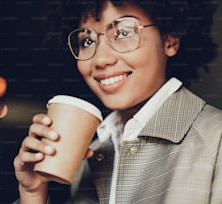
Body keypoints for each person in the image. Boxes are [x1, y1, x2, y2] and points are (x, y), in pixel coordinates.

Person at [13, 0, 222, 203]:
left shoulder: (216, 140)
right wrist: (32, 193)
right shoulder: (91, 154)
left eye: (123, 33)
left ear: (170, 39)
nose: (101, 59)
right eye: (87, 41)